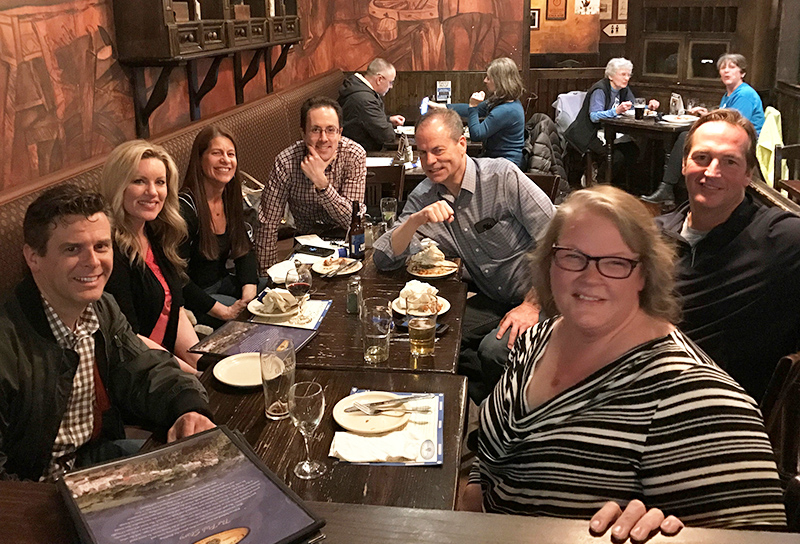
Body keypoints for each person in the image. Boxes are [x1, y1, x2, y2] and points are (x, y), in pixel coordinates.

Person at [462, 185, 786, 536]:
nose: (590, 277)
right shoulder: (538, 339)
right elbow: (499, 451)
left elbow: (758, 537)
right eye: (572, 256)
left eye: (616, 262)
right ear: (548, 263)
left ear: (645, 274)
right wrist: (471, 503)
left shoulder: (699, 397)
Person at [0, 184, 214, 481]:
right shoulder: (7, 341)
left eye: (101, 246)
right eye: (72, 249)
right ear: (33, 257)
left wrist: (187, 409)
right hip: (33, 485)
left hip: (93, 458)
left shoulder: (102, 307)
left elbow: (144, 370)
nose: (93, 261)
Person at [373, 108, 555, 402]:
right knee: (423, 331)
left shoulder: (501, 177)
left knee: (493, 350)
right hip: (492, 300)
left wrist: (533, 304)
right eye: (422, 153)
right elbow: (382, 257)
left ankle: (512, 419)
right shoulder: (424, 196)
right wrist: (415, 221)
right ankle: (473, 403)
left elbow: (558, 241)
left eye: (438, 150)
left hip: (543, 294)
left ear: (461, 144)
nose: (429, 161)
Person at [655, 109, 800, 403]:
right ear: (683, 164)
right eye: (702, 158)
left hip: (719, 410)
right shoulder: (653, 235)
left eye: (730, 161)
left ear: (749, 174)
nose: (712, 172)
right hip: (641, 389)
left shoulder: (779, 238)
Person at [101, 140, 200, 374]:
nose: (153, 192)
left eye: (160, 182)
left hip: (166, 363)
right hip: (137, 373)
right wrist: (192, 374)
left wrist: (202, 363)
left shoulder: (156, 232)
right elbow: (130, 338)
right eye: (139, 181)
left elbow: (175, 310)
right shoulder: (108, 250)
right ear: (118, 186)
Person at [256, 96, 367, 271]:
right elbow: (268, 224)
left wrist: (321, 182)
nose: (324, 138)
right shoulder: (286, 162)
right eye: (316, 130)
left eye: (331, 130)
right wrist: (266, 275)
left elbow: (351, 220)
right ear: (303, 133)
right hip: (305, 246)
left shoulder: (353, 155)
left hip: (346, 242)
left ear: (340, 132)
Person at [644, 53, 766, 205]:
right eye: (723, 68)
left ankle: (668, 188)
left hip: (744, 144)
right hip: (728, 138)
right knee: (685, 137)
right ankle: (672, 189)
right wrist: (707, 115)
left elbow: (735, 126)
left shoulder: (744, 94)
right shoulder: (730, 93)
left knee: (684, 137)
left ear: (742, 72)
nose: (726, 71)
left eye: (732, 67)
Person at [179, 126, 263, 329]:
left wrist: (249, 290)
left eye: (230, 154)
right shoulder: (184, 208)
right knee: (252, 321)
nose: (225, 160)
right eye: (216, 153)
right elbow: (176, 277)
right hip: (195, 298)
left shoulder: (228, 198)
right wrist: (222, 311)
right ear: (199, 160)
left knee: (273, 293)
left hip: (223, 283)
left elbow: (244, 250)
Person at [565, 58, 659, 184]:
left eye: (628, 75)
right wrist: (616, 111)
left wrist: (648, 107)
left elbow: (632, 106)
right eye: (623, 74)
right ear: (610, 76)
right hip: (587, 134)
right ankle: (600, 183)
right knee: (616, 157)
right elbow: (594, 116)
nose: (627, 78)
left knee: (633, 151)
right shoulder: (600, 89)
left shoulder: (624, 89)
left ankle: (622, 186)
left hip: (609, 133)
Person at [430, 57, 526, 170]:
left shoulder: (506, 110)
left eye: (489, 78)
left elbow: (476, 134)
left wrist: (473, 106)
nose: (485, 80)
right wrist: (441, 107)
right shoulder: (505, 101)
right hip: (497, 159)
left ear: (500, 81)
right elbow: (474, 110)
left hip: (505, 166)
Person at [338, 58, 405, 152]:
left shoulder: (358, 89)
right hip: (359, 152)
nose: (391, 86)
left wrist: (388, 119)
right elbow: (386, 135)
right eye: (390, 82)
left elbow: (366, 119)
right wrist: (387, 125)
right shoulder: (364, 100)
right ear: (379, 79)